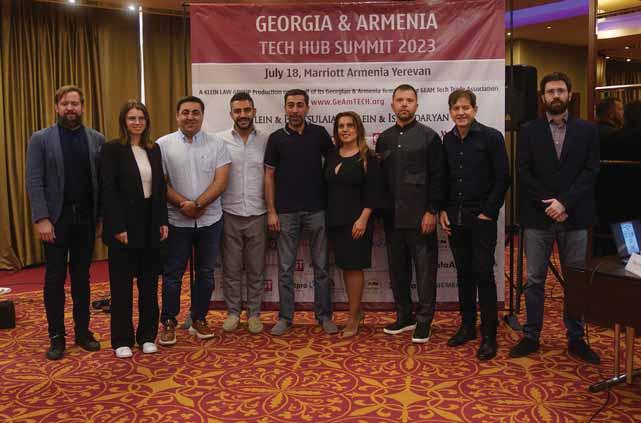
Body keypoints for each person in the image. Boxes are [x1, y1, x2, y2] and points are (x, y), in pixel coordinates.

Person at [510, 72, 601, 364]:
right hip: (538, 218)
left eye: (561, 90)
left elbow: (591, 171)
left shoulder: (588, 130)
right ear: (543, 97)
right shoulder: (528, 130)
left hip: (575, 217)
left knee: (575, 281)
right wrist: (550, 203)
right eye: (550, 91)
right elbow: (523, 172)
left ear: (569, 95)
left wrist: (564, 202)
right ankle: (531, 335)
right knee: (535, 280)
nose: (556, 96)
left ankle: (576, 338)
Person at [26, 85, 104, 360]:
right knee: (55, 279)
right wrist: (42, 218)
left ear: (82, 107)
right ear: (56, 107)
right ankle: (56, 336)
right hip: (55, 221)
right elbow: (34, 180)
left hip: (86, 219)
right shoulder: (41, 139)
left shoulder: (96, 139)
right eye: (65, 104)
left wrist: (100, 218)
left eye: (75, 103)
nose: (70, 108)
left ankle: (83, 332)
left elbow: (102, 182)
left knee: (82, 278)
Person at [439, 89, 510, 360]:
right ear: (450, 111)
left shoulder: (491, 137)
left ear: (475, 110)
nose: (461, 112)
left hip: (482, 219)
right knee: (464, 274)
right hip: (455, 219)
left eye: (465, 108)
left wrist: (488, 213)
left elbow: (503, 178)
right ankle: (468, 326)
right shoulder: (448, 140)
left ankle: (489, 333)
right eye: (456, 108)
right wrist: (443, 210)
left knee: (483, 274)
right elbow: (444, 179)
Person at [156, 96, 231, 345]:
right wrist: (183, 205)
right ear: (177, 115)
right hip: (177, 221)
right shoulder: (162, 145)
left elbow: (221, 181)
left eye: (195, 112)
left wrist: (198, 204)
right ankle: (169, 322)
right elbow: (161, 183)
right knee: (172, 275)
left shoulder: (217, 144)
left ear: (202, 115)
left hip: (210, 220)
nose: (190, 117)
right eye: (185, 112)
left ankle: (199, 318)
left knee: (206, 274)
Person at [264, 88, 338, 336]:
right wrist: (271, 211)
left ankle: (324, 316)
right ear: (285, 108)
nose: (295, 110)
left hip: (318, 210)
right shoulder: (276, 138)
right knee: (285, 269)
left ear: (307, 107)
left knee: (322, 267)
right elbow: (269, 176)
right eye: (290, 105)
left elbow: (334, 164)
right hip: (286, 212)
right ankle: (285, 318)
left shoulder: (319, 134)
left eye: (299, 105)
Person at [376, 84, 445, 343]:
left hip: (420, 218)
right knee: (398, 271)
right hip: (392, 219)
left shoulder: (429, 137)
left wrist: (432, 211)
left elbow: (439, 177)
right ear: (392, 104)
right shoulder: (384, 139)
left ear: (416, 105)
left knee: (425, 273)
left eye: (409, 100)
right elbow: (380, 180)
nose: (404, 104)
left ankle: (424, 321)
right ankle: (404, 316)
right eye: (400, 100)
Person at [100, 101, 169, 358]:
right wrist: (117, 226)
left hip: (150, 222)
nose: (137, 122)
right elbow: (108, 191)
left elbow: (160, 188)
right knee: (122, 286)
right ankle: (121, 340)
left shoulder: (154, 149)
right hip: (124, 225)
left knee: (149, 284)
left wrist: (163, 221)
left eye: (141, 118)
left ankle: (147, 336)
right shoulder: (111, 149)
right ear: (123, 121)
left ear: (147, 121)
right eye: (132, 118)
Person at [324, 111, 382, 338]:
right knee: (345, 267)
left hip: (357, 222)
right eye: (341, 126)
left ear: (358, 129)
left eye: (350, 125)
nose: (345, 129)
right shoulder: (331, 155)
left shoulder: (368, 157)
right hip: (335, 221)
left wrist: (363, 219)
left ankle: (354, 316)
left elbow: (374, 192)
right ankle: (355, 312)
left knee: (353, 268)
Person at [218, 92, 268, 334]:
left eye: (247, 110)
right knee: (231, 269)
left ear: (254, 112)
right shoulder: (219, 141)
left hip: (258, 213)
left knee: (256, 269)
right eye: (238, 111)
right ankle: (233, 313)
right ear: (231, 114)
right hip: (229, 212)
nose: (243, 115)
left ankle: (254, 314)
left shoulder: (267, 140)